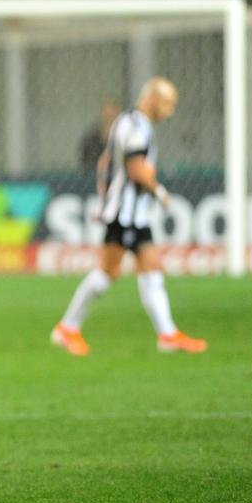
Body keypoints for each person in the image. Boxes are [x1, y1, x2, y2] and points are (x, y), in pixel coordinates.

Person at [51, 77, 207, 356]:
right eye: (168, 104)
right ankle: (67, 328)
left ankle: (168, 334)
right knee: (107, 273)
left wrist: (106, 193)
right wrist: (159, 191)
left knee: (151, 268)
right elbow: (136, 170)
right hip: (125, 214)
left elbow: (105, 163)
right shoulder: (135, 128)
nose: (170, 111)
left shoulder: (129, 123)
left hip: (132, 214)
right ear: (152, 100)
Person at [78, 97, 122, 174]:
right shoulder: (91, 137)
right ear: (102, 112)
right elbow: (84, 160)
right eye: (106, 111)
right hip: (92, 176)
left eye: (113, 111)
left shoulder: (124, 136)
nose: (109, 114)